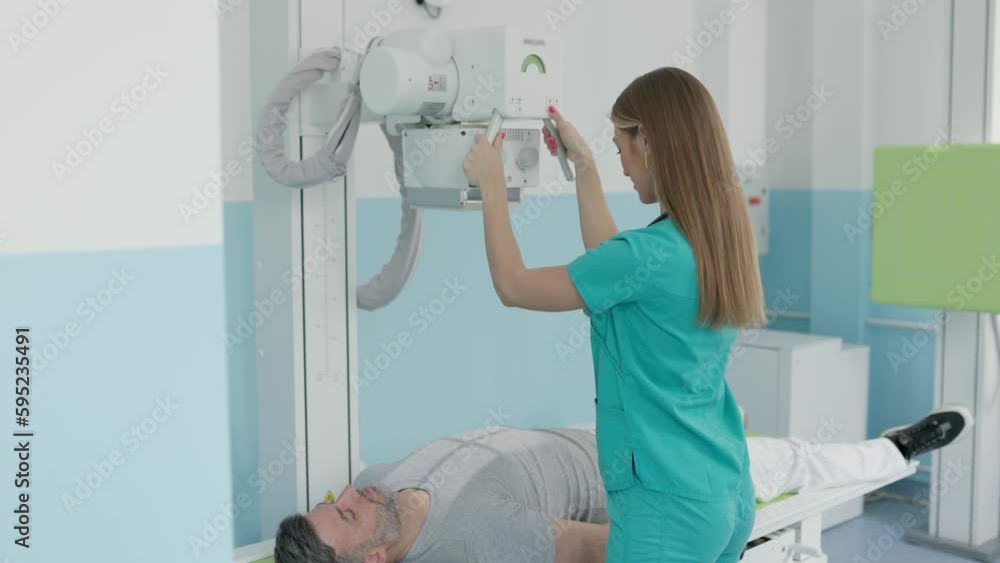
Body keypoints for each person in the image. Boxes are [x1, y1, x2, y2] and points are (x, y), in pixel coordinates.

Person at [461, 66, 766, 561]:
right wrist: (583, 165)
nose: (620, 159)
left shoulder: (648, 254)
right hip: (723, 488)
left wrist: (491, 188)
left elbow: (513, 286)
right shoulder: (714, 243)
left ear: (647, 139)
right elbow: (615, 268)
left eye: (620, 143)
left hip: (665, 505)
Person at [272, 406, 972, 563]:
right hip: (637, 473)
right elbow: (591, 546)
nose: (354, 495)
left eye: (339, 499)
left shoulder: (375, 483)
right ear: (373, 557)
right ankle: (895, 452)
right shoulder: (477, 538)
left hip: (582, 427)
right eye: (349, 515)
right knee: (774, 462)